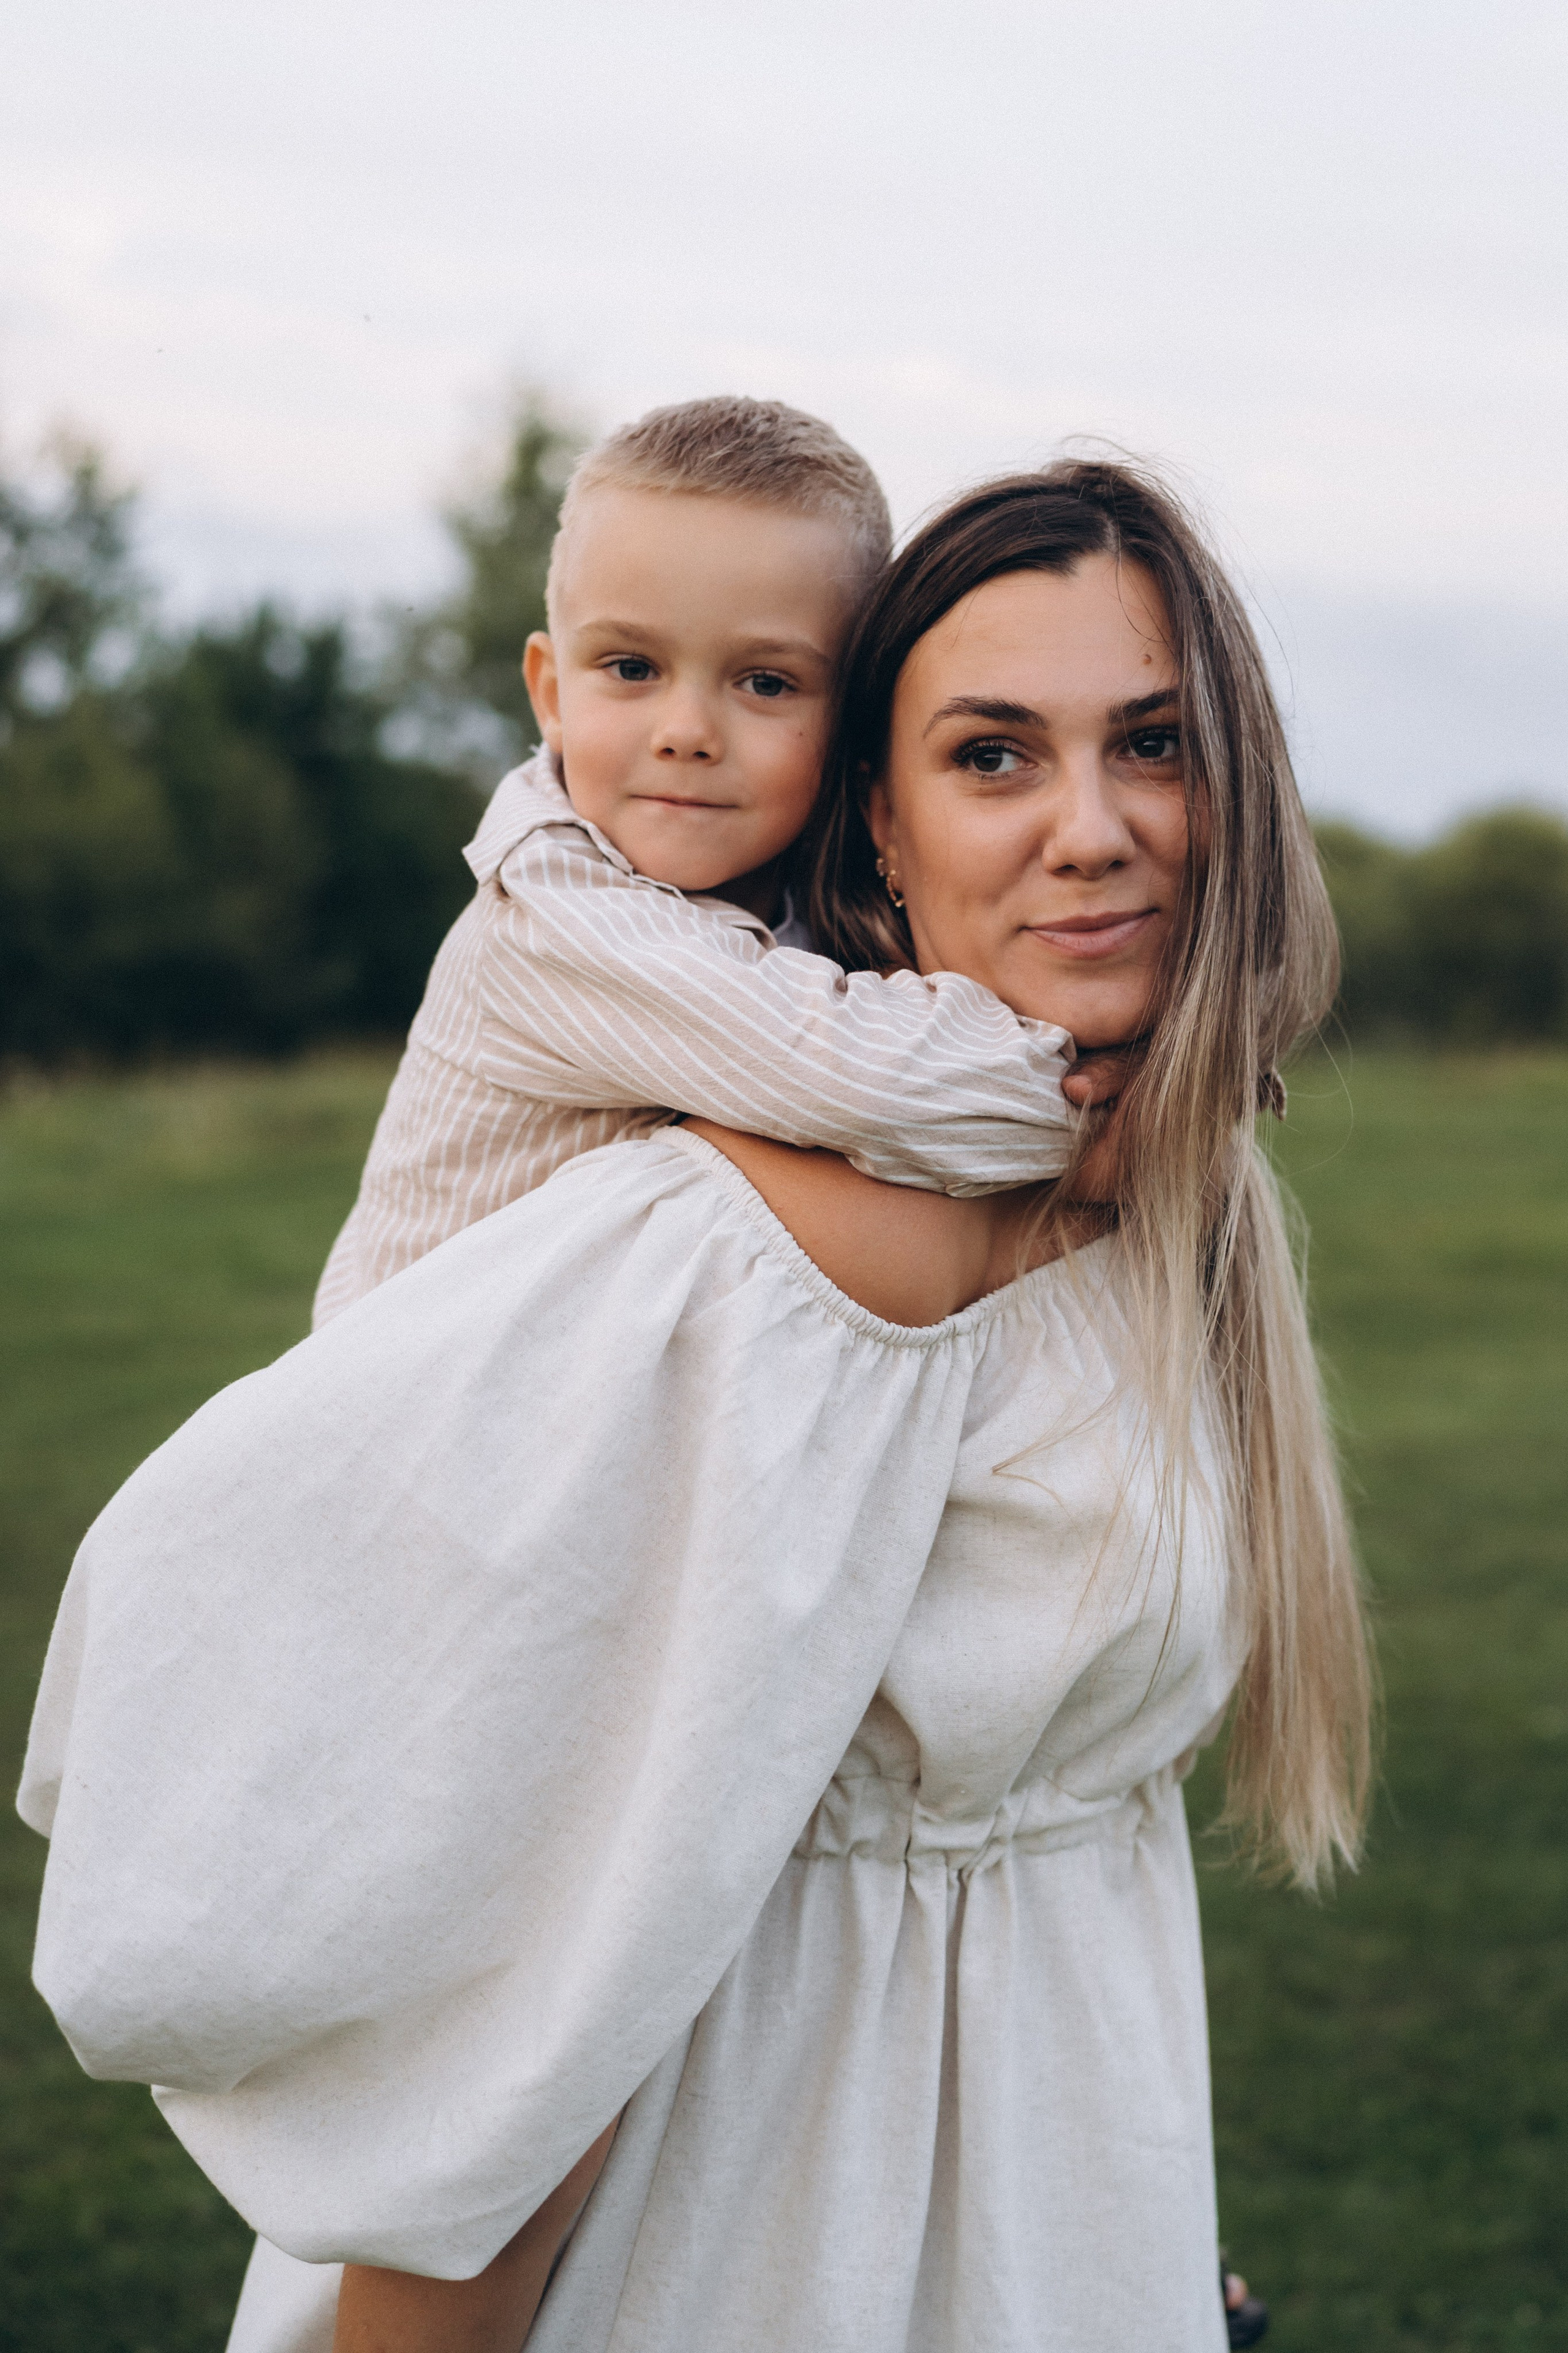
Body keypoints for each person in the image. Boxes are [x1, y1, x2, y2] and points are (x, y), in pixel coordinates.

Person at [21, 459, 1373, 2352]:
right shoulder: (792, 1261)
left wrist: (1119, 2229)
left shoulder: (1176, 1197)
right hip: (744, 2246)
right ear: (877, 822)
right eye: (995, 755)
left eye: (1155, 740)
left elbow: (1041, 1859)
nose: (1095, 828)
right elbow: (546, 1921)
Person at [315, 394, 1105, 1332]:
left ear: (852, 716)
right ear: (550, 691)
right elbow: (859, 1080)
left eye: (766, 682)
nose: (687, 732)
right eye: (631, 668)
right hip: (427, 1438)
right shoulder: (552, 919)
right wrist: (1102, 1110)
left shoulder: (802, 892)